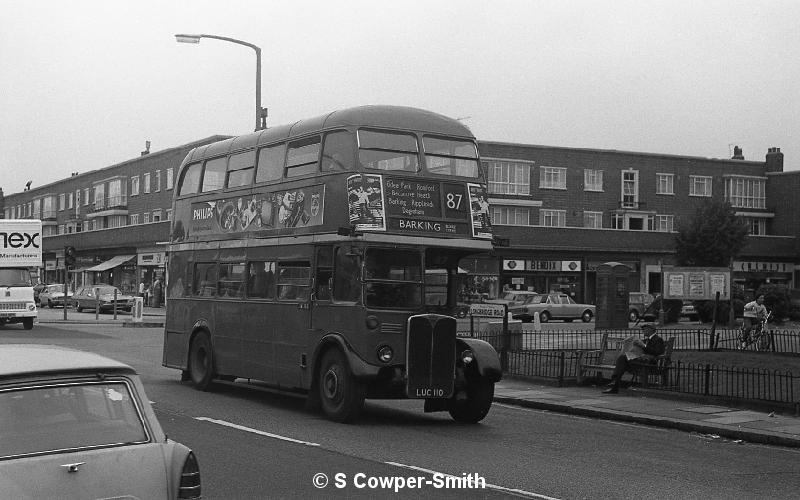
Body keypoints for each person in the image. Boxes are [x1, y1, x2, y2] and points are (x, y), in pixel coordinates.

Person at [602, 324, 666, 394]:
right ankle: (615, 384)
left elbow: (657, 352)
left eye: (644, 329)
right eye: (642, 329)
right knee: (623, 358)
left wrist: (643, 346)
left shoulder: (658, 339)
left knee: (622, 359)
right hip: (639, 362)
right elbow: (639, 351)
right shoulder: (645, 340)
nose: (643, 331)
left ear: (650, 329)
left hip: (649, 364)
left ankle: (615, 384)